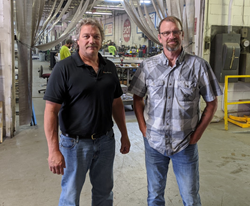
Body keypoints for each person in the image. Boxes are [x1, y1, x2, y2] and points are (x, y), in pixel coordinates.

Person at [128, 16, 222, 206]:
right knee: (154, 197)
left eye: (175, 32)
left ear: (182, 35)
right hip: (154, 143)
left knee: (191, 197)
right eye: (166, 33)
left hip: (185, 144)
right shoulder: (148, 66)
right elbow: (137, 98)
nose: (171, 36)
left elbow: (212, 102)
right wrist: (143, 128)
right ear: (160, 37)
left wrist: (198, 134)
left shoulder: (199, 66)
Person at [44, 18, 130, 206]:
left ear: (101, 40)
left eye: (96, 36)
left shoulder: (110, 67)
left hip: (105, 141)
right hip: (74, 145)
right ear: (78, 40)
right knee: (70, 195)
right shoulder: (64, 68)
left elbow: (116, 104)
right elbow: (51, 111)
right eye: (86, 36)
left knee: (104, 193)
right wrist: (53, 150)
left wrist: (124, 134)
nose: (91, 40)